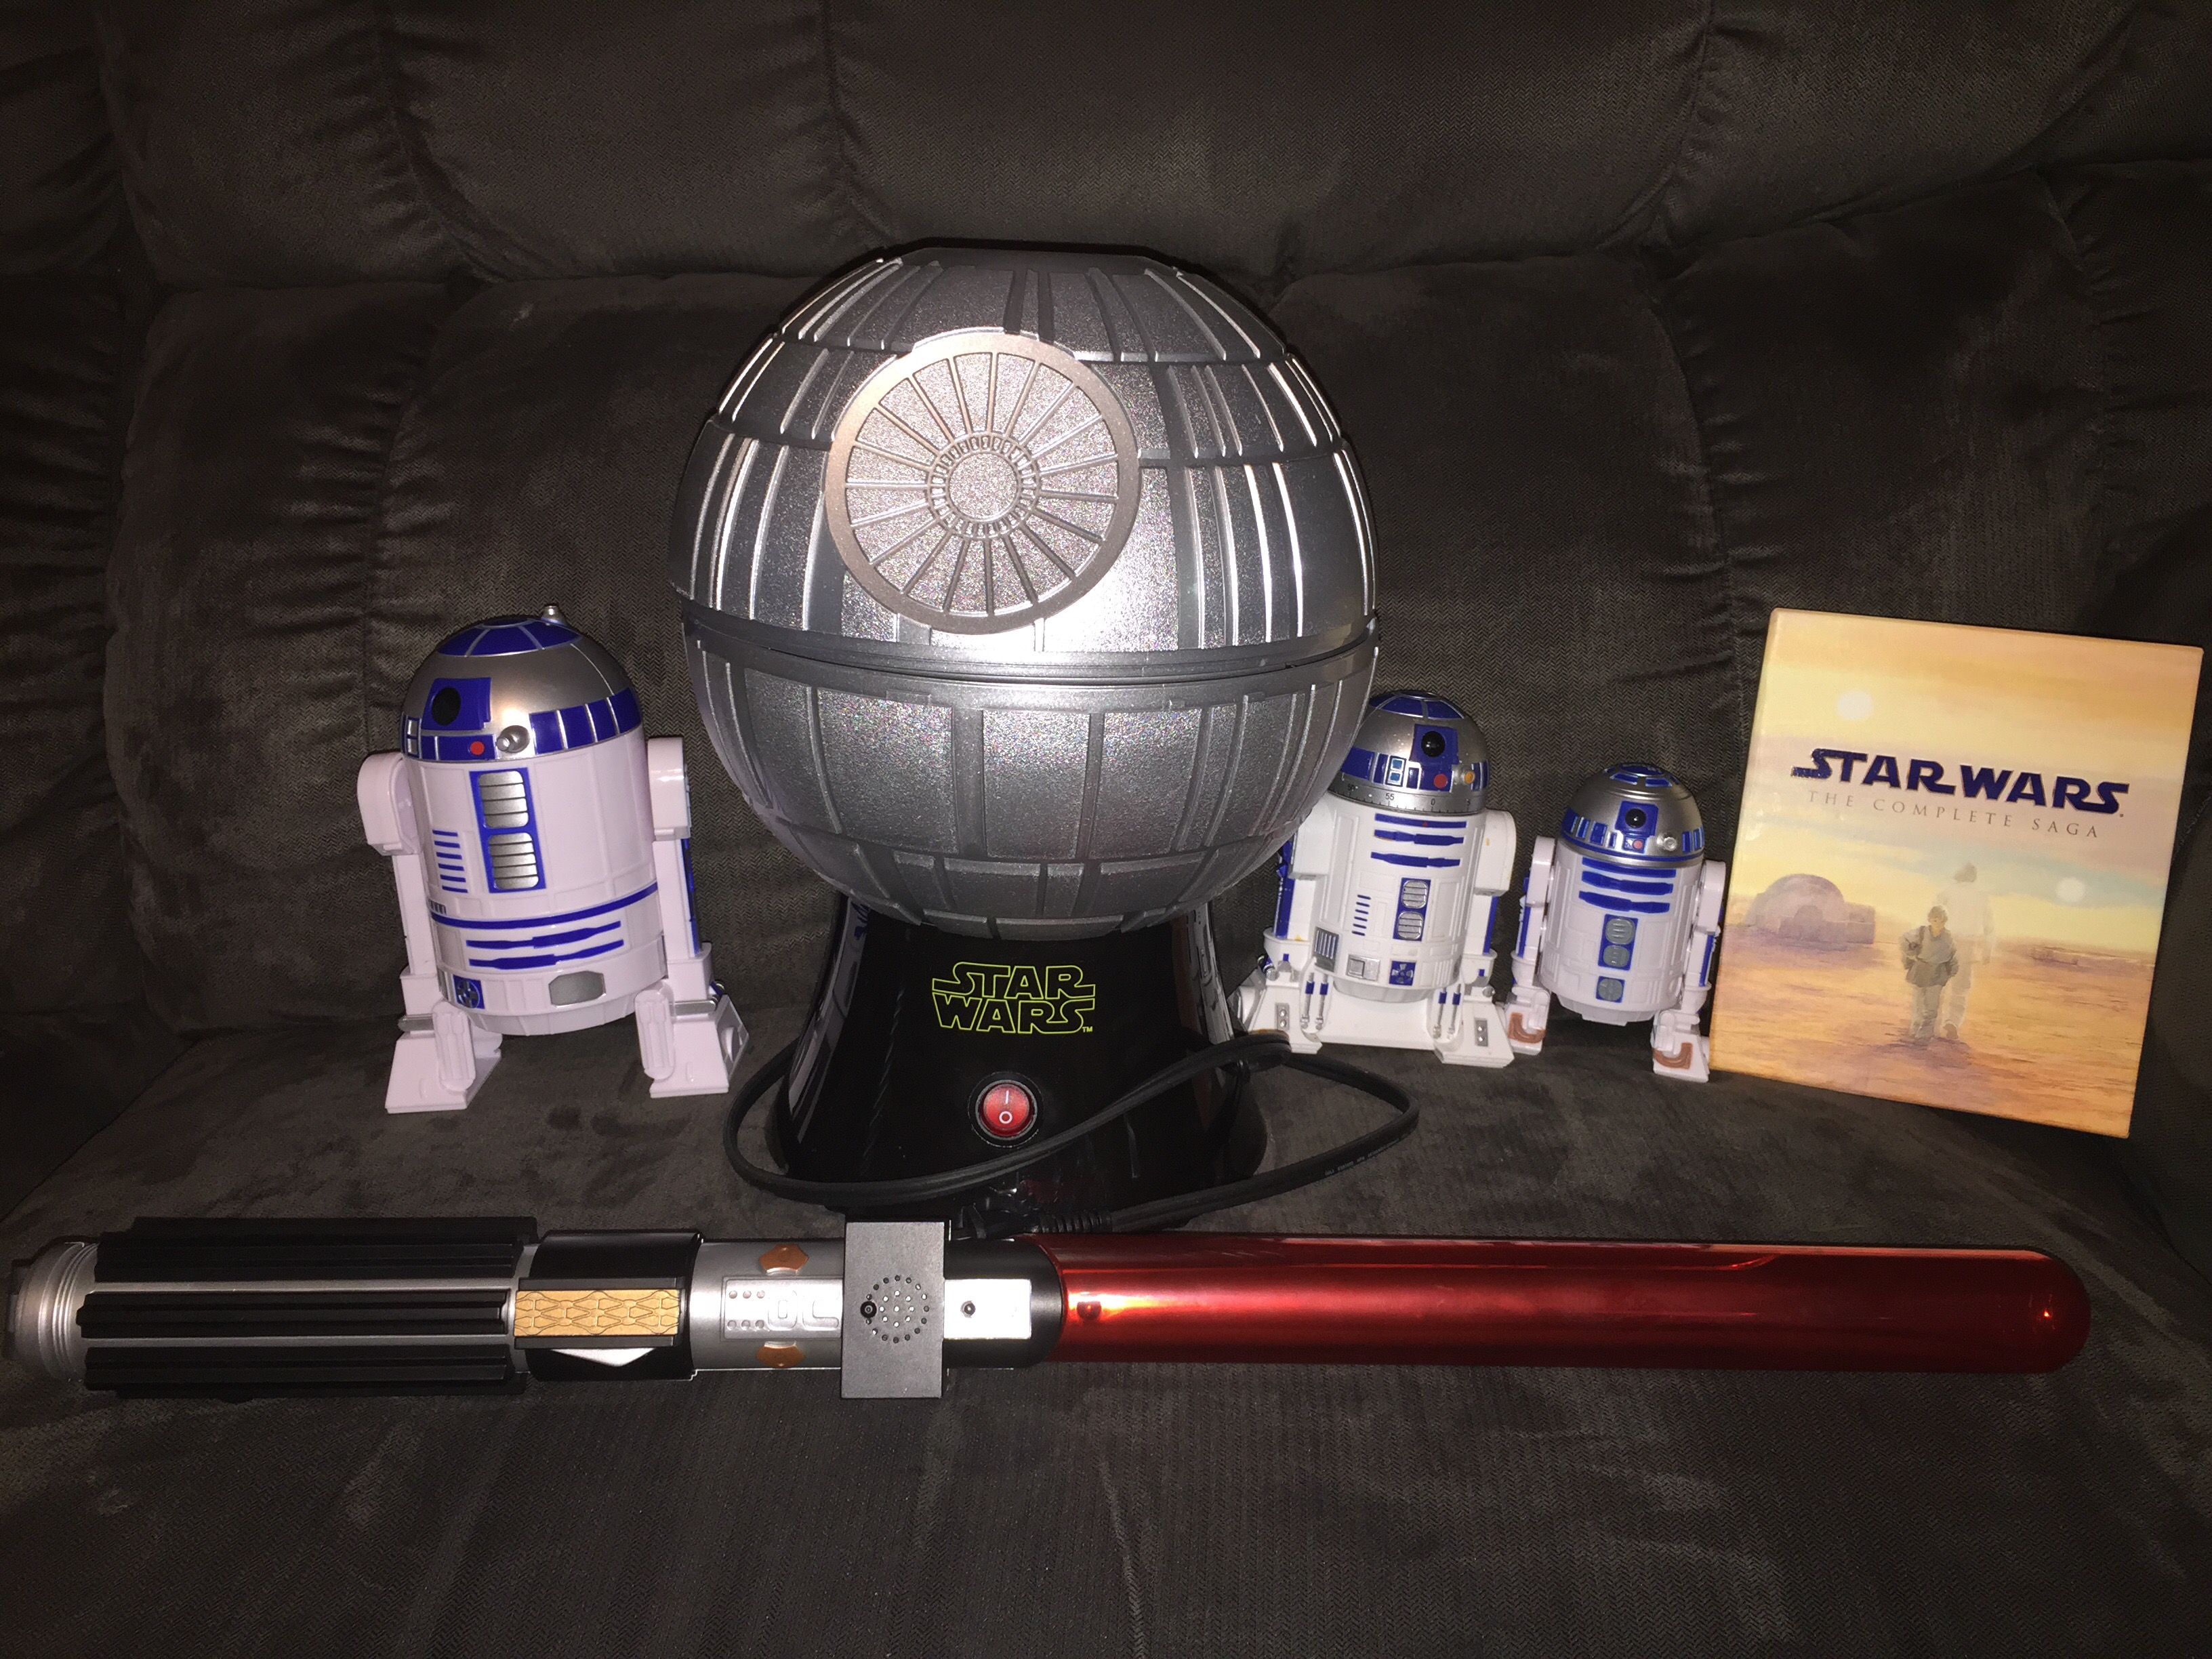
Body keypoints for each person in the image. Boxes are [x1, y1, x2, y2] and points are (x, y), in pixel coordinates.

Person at [1932, 863, 1995, 1040]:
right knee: (1961, 988)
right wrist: (1988, 950)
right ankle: (1953, 1022)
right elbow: (1989, 926)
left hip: (1945, 943)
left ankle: (1933, 1025)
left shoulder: (1946, 892)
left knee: (1938, 986)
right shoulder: (1982, 896)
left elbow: (1932, 917)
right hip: (1969, 946)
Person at [1900, 905, 1958, 1046]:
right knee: (1919, 1004)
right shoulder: (1921, 932)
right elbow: (1903, 940)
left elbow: (1953, 956)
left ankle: (1924, 1036)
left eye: (1942, 921)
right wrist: (1912, 954)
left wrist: (1951, 972)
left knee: (1931, 1007)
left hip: (1937, 973)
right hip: (1920, 971)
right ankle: (1915, 1031)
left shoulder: (1948, 937)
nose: (1938, 924)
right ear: (1930, 920)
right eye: (1936, 920)